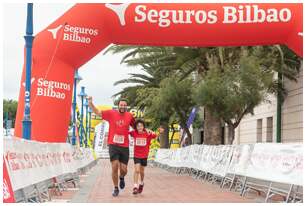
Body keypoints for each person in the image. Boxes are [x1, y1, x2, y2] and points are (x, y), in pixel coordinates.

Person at [88, 96, 135, 197]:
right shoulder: (111, 113)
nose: (123, 106)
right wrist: (90, 103)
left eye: (124, 105)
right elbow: (98, 112)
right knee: (114, 166)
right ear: (118, 106)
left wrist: (145, 132)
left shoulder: (130, 116)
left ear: (126, 107)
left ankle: (122, 177)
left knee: (124, 169)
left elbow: (137, 127)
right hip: (113, 145)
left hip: (125, 146)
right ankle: (116, 188)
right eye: (121, 105)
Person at [129, 119, 163, 195]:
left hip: (144, 155)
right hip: (136, 155)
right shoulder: (133, 133)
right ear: (136, 127)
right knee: (137, 170)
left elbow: (156, 134)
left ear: (143, 127)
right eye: (138, 126)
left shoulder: (148, 134)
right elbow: (125, 132)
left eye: (141, 126)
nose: (139, 127)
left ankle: (141, 183)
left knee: (142, 172)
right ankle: (135, 187)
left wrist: (160, 131)